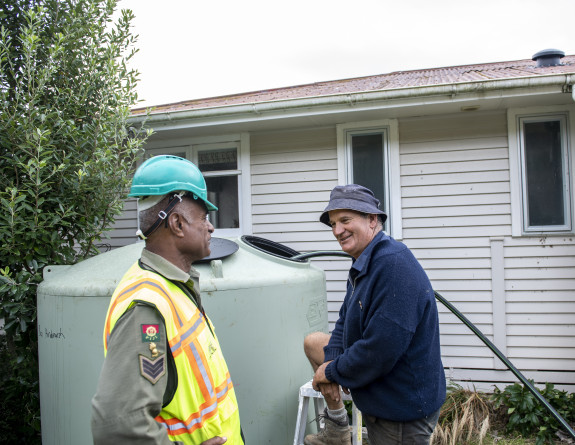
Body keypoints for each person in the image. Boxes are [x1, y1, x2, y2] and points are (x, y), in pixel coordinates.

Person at [91, 155, 244, 445]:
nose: (210, 228)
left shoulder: (175, 288)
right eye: (203, 218)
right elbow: (118, 425)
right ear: (176, 223)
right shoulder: (146, 306)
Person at [303, 184, 445, 445]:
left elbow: (380, 349)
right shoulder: (364, 262)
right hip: (382, 397)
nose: (337, 231)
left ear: (372, 219)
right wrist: (330, 362)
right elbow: (344, 319)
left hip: (402, 410)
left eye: (345, 220)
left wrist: (333, 371)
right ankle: (337, 428)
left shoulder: (393, 266)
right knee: (314, 342)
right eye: (333, 223)